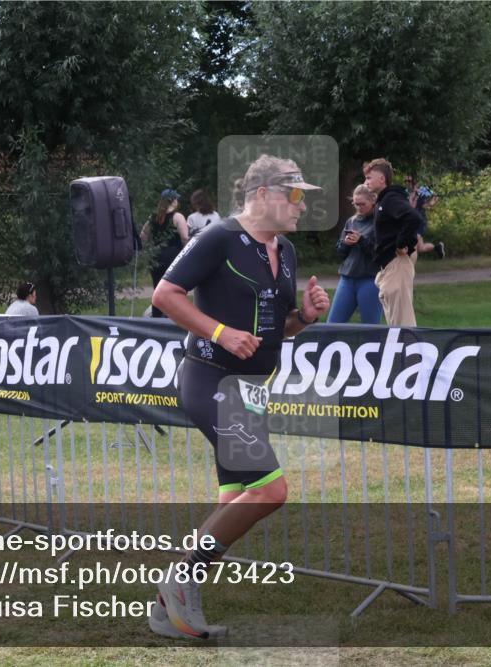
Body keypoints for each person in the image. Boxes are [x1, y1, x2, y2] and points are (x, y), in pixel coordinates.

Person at [151, 154, 330, 639]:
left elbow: (279, 327)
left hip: (249, 390)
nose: (300, 207)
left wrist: (307, 316)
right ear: (263, 195)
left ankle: (170, 611)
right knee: (271, 490)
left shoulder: (286, 251)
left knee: (236, 499)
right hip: (210, 380)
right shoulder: (219, 239)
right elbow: (165, 294)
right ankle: (179, 580)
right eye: (294, 196)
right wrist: (220, 332)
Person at [364, 158, 422, 326]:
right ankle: (401, 352)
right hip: (389, 268)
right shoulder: (383, 201)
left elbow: (413, 217)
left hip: (397, 264)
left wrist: (401, 244)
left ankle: (410, 353)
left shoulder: (390, 199)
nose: (365, 182)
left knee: (403, 325)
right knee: (395, 325)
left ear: (382, 179)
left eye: (369, 178)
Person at [327, 184, 383, 324]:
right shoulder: (351, 221)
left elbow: (381, 254)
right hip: (347, 279)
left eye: (362, 204)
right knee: (332, 325)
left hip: (370, 280)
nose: (358, 207)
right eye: (355, 204)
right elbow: (340, 254)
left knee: (371, 330)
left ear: (373, 201)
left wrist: (362, 241)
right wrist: (346, 244)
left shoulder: (380, 222)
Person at [141, 189, 189, 317]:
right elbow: (185, 237)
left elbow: (143, 236)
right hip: (173, 256)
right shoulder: (177, 217)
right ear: (173, 201)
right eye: (176, 199)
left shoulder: (153, 217)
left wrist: (149, 249)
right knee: (174, 288)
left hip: (156, 257)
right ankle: (174, 317)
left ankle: (156, 317)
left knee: (157, 288)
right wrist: (186, 253)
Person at [403, 175, 446, 259]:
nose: (407, 183)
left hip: (419, 220)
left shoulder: (422, 190)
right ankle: (437, 247)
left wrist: (430, 204)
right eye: (406, 181)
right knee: (421, 248)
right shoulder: (406, 191)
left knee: (413, 245)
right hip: (411, 219)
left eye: (409, 181)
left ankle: (410, 269)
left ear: (414, 182)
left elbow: (436, 196)